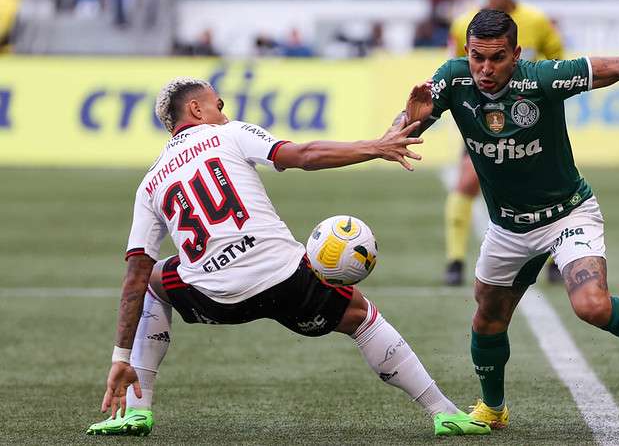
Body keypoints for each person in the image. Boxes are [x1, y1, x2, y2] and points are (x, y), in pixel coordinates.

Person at [85, 77, 490, 437]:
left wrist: (121, 357)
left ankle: (137, 412)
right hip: (284, 278)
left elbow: (133, 279)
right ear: (196, 110)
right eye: (218, 106)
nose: (224, 114)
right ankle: (444, 413)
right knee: (361, 316)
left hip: (214, 297)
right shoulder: (228, 135)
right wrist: (375, 147)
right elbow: (305, 155)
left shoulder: (149, 182)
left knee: (156, 280)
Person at [400, 9, 619, 429]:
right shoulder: (452, 80)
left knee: (591, 306)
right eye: (477, 57)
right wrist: (407, 120)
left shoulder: (541, 79)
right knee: (487, 317)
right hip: (509, 228)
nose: (485, 69)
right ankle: (493, 408)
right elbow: (404, 131)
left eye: (497, 58)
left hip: (567, 214)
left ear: (516, 53)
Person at [444, 0, 564, 286]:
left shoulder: (537, 20)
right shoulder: (464, 23)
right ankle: (455, 260)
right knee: (467, 181)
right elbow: (455, 69)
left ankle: (553, 260)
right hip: (483, 118)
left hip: (529, 119)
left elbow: (558, 60)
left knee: (544, 186)